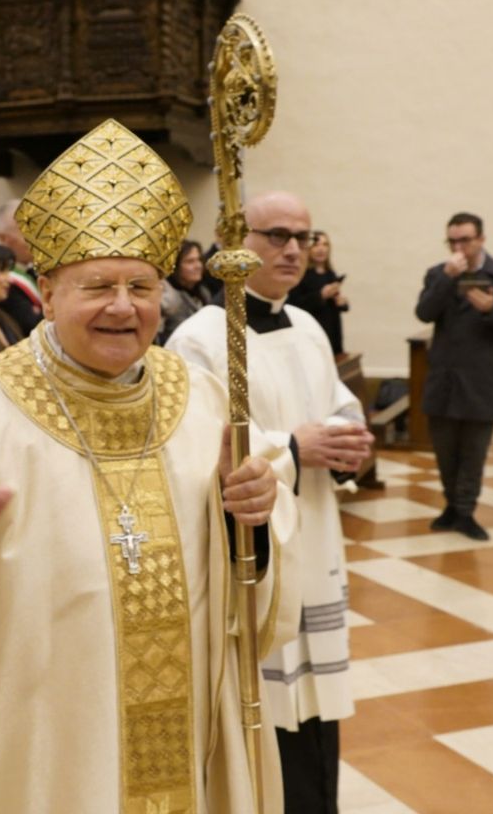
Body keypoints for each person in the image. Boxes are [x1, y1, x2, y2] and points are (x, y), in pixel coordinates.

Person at [0, 119, 297, 814]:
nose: (124, 306)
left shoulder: (204, 397)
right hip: (43, 748)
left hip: (185, 735)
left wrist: (251, 516)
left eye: (142, 285)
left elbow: (254, 573)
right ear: (48, 286)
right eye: (98, 285)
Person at [169, 190, 372, 814]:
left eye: (303, 238)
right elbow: (194, 442)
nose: (292, 249)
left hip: (316, 531)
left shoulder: (308, 324)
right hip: (254, 550)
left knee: (316, 713)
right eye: (276, 235)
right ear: (236, 240)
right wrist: (289, 446)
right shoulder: (201, 337)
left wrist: (348, 440)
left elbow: (335, 402)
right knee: (267, 702)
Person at [415, 212, 493, 541]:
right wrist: (446, 279)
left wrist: (492, 309)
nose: (459, 247)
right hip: (444, 378)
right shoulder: (437, 274)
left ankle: (466, 512)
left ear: (481, 239)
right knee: (445, 453)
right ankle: (451, 506)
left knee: (473, 454)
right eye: (453, 241)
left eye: (465, 239)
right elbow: (424, 312)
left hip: (481, 381)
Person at [288, 231, 349, 355]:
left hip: (332, 332)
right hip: (311, 332)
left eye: (325, 245)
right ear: (308, 248)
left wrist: (342, 302)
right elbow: (294, 305)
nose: (321, 249)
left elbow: (337, 305)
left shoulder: (330, 273)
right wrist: (321, 295)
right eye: (316, 245)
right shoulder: (301, 274)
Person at [0, 197, 45, 336]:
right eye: (28, 233)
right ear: (3, 238)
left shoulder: (36, 270)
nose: (37, 241)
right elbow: (31, 324)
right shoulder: (0, 279)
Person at [159, 239, 212, 344]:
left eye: (199, 260)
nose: (198, 266)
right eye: (190, 261)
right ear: (175, 267)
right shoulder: (167, 297)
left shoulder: (204, 292)